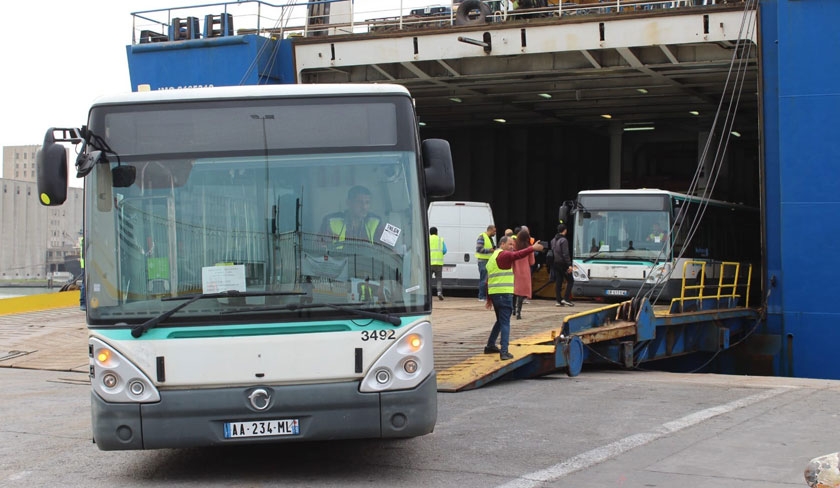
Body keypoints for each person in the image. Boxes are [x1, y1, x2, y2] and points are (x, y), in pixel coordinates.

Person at [484, 235, 544, 360]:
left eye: (513, 245)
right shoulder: (504, 255)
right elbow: (517, 255)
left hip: (495, 294)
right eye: (510, 244)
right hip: (504, 294)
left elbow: (488, 280)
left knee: (500, 321)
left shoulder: (493, 257)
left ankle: (490, 345)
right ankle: (504, 352)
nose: (512, 247)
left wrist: (489, 298)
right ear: (502, 244)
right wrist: (532, 248)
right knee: (505, 323)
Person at [320, 185, 384, 245]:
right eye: (359, 202)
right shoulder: (330, 221)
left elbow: (386, 248)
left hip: (368, 254)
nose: (364, 207)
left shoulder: (376, 221)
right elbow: (320, 247)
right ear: (349, 203)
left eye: (367, 202)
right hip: (338, 254)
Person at [512, 228, 535, 320]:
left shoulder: (514, 246)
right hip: (525, 272)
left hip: (514, 270)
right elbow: (532, 262)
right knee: (521, 293)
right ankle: (519, 312)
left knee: (514, 291)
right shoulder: (529, 247)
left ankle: (513, 309)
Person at [551, 223, 574, 307]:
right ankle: (566, 298)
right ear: (565, 230)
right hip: (563, 264)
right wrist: (569, 265)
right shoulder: (564, 240)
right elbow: (565, 253)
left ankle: (558, 300)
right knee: (570, 280)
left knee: (559, 281)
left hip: (555, 263)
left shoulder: (553, 240)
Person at [475, 224, 496, 301]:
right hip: (483, 261)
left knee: (487, 280)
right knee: (484, 279)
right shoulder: (482, 237)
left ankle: (485, 296)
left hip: (488, 261)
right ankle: (481, 296)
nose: (495, 233)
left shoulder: (490, 238)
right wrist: (489, 250)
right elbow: (479, 249)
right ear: (490, 230)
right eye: (494, 231)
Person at [429, 227, 447, 300]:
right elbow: (445, 250)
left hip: (429, 263)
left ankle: (428, 294)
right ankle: (439, 292)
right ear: (436, 232)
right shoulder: (440, 239)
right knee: (439, 279)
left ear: (430, 233)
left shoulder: (428, 239)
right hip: (439, 263)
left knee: (429, 279)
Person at [78, 230, 86, 311]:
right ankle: (83, 303)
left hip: (85, 265)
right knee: (85, 284)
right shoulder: (84, 240)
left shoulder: (83, 240)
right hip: (86, 266)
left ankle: (83, 302)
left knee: (85, 284)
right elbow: (84, 255)